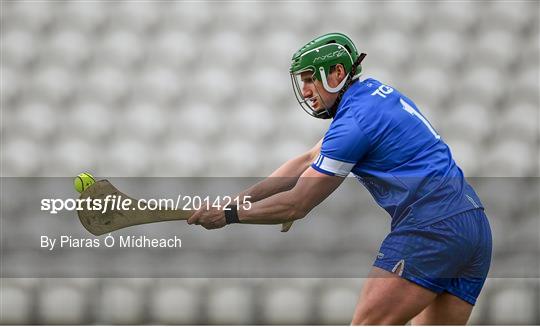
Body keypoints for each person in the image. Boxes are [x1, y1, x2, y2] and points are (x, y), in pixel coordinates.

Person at [188, 32, 492, 325]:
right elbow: (305, 161)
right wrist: (236, 200)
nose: (305, 90)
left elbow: (297, 205)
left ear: (336, 73)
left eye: (310, 78)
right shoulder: (370, 96)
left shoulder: (355, 121)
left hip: (432, 228)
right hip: (473, 226)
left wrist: (227, 215)